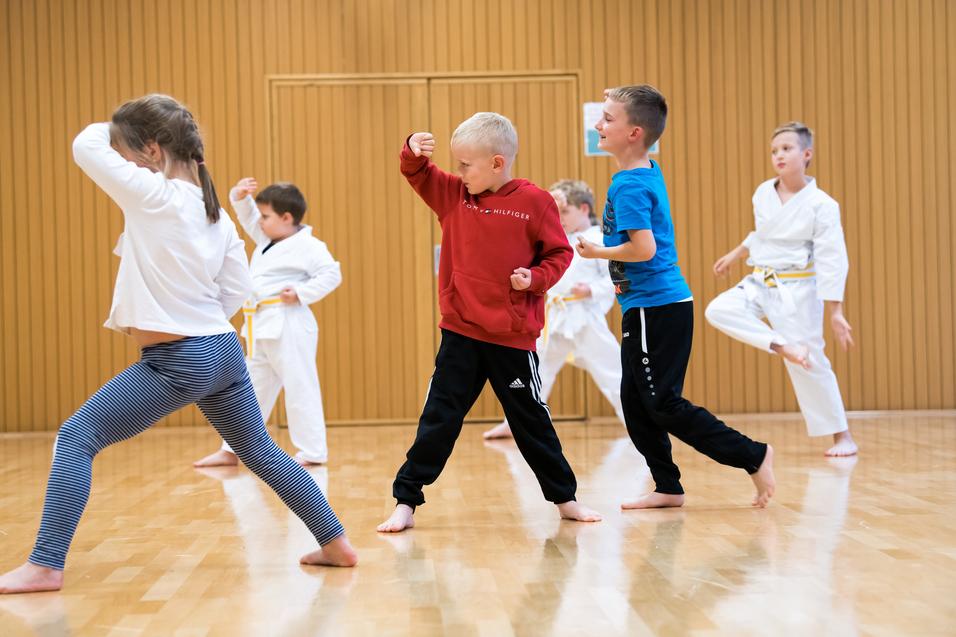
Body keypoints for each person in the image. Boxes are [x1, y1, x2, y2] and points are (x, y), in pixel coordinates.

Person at [0, 95, 355, 595]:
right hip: (223, 350)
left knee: (75, 437)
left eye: (129, 153)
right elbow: (237, 292)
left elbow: (85, 143)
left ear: (150, 149)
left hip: (178, 357)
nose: (122, 163)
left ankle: (45, 564)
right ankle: (334, 543)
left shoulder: (155, 194)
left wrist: (128, 129)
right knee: (260, 451)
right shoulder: (216, 216)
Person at [377, 112, 603, 533]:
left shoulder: (535, 203)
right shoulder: (453, 195)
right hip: (460, 333)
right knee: (439, 418)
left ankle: (566, 498)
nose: (457, 173)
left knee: (531, 421)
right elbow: (416, 170)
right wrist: (411, 147)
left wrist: (534, 278)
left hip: (512, 339)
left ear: (497, 163)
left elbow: (559, 255)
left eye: (466, 165)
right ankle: (406, 499)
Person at [576, 85, 776, 510]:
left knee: (662, 403)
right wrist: (630, 96)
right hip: (648, 308)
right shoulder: (643, 170)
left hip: (656, 308)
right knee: (636, 402)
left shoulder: (630, 185)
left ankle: (753, 455)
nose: (599, 124)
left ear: (634, 133)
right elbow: (645, 113)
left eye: (608, 118)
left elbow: (643, 249)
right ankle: (668, 486)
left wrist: (597, 252)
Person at [705, 121, 858, 457]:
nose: (779, 155)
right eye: (775, 150)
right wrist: (736, 253)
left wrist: (836, 311)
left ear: (806, 154)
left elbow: (833, 257)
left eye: (787, 149)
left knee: (811, 360)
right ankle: (781, 345)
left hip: (798, 289)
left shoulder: (823, 205)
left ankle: (842, 436)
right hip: (760, 279)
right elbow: (763, 233)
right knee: (717, 309)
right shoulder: (763, 192)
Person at [194, 178, 341, 468]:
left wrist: (301, 293)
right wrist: (238, 196)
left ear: (287, 218)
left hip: (290, 323)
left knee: (300, 386)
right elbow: (249, 217)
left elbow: (331, 274)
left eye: (266, 216)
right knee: (251, 389)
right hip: (261, 324)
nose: (259, 222)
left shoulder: (309, 246)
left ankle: (312, 451)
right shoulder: (266, 241)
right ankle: (233, 449)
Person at [483, 179, 625, 440]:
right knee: (536, 371)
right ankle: (514, 423)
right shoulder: (555, 237)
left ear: (584, 209)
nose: (561, 218)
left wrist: (591, 290)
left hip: (585, 318)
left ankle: (636, 423)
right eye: (558, 213)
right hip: (554, 318)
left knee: (612, 371)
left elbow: (613, 278)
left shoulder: (598, 239)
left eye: (566, 212)